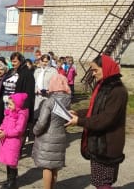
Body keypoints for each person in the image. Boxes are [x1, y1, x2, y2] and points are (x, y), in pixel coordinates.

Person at [66, 54, 128, 189]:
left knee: (103, 182)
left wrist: (80, 121)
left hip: (107, 144)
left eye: (95, 70)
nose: (93, 74)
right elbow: (94, 110)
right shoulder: (102, 86)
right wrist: (77, 113)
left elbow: (106, 118)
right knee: (100, 181)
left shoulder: (117, 91)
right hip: (98, 142)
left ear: (106, 68)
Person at [32, 74, 72, 189]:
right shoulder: (68, 101)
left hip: (48, 137)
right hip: (61, 135)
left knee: (47, 167)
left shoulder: (49, 102)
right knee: (55, 167)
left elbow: (42, 122)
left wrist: (35, 131)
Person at [0, 92, 29, 189]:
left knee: (12, 161)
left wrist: (5, 133)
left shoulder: (21, 115)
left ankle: (13, 182)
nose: (8, 106)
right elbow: (4, 123)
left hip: (13, 141)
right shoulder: (9, 113)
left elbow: (18, 130)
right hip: (6, 141)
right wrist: (0, 130)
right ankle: (9, 179)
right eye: (8, 104)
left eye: (10, 104)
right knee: (8, 161)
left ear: (17, 105)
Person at [33, 54, 58, 120]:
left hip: (48, 96)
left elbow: (56, 84)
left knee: (46, 116)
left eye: (46, 61)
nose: (44, 63)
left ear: (49, 61)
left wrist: (49, 90)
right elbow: (34, 83)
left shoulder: (53, 71)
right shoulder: (37, 71)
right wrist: (36, 89)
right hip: (38, 97)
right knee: (37, 115)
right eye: (43, 61)